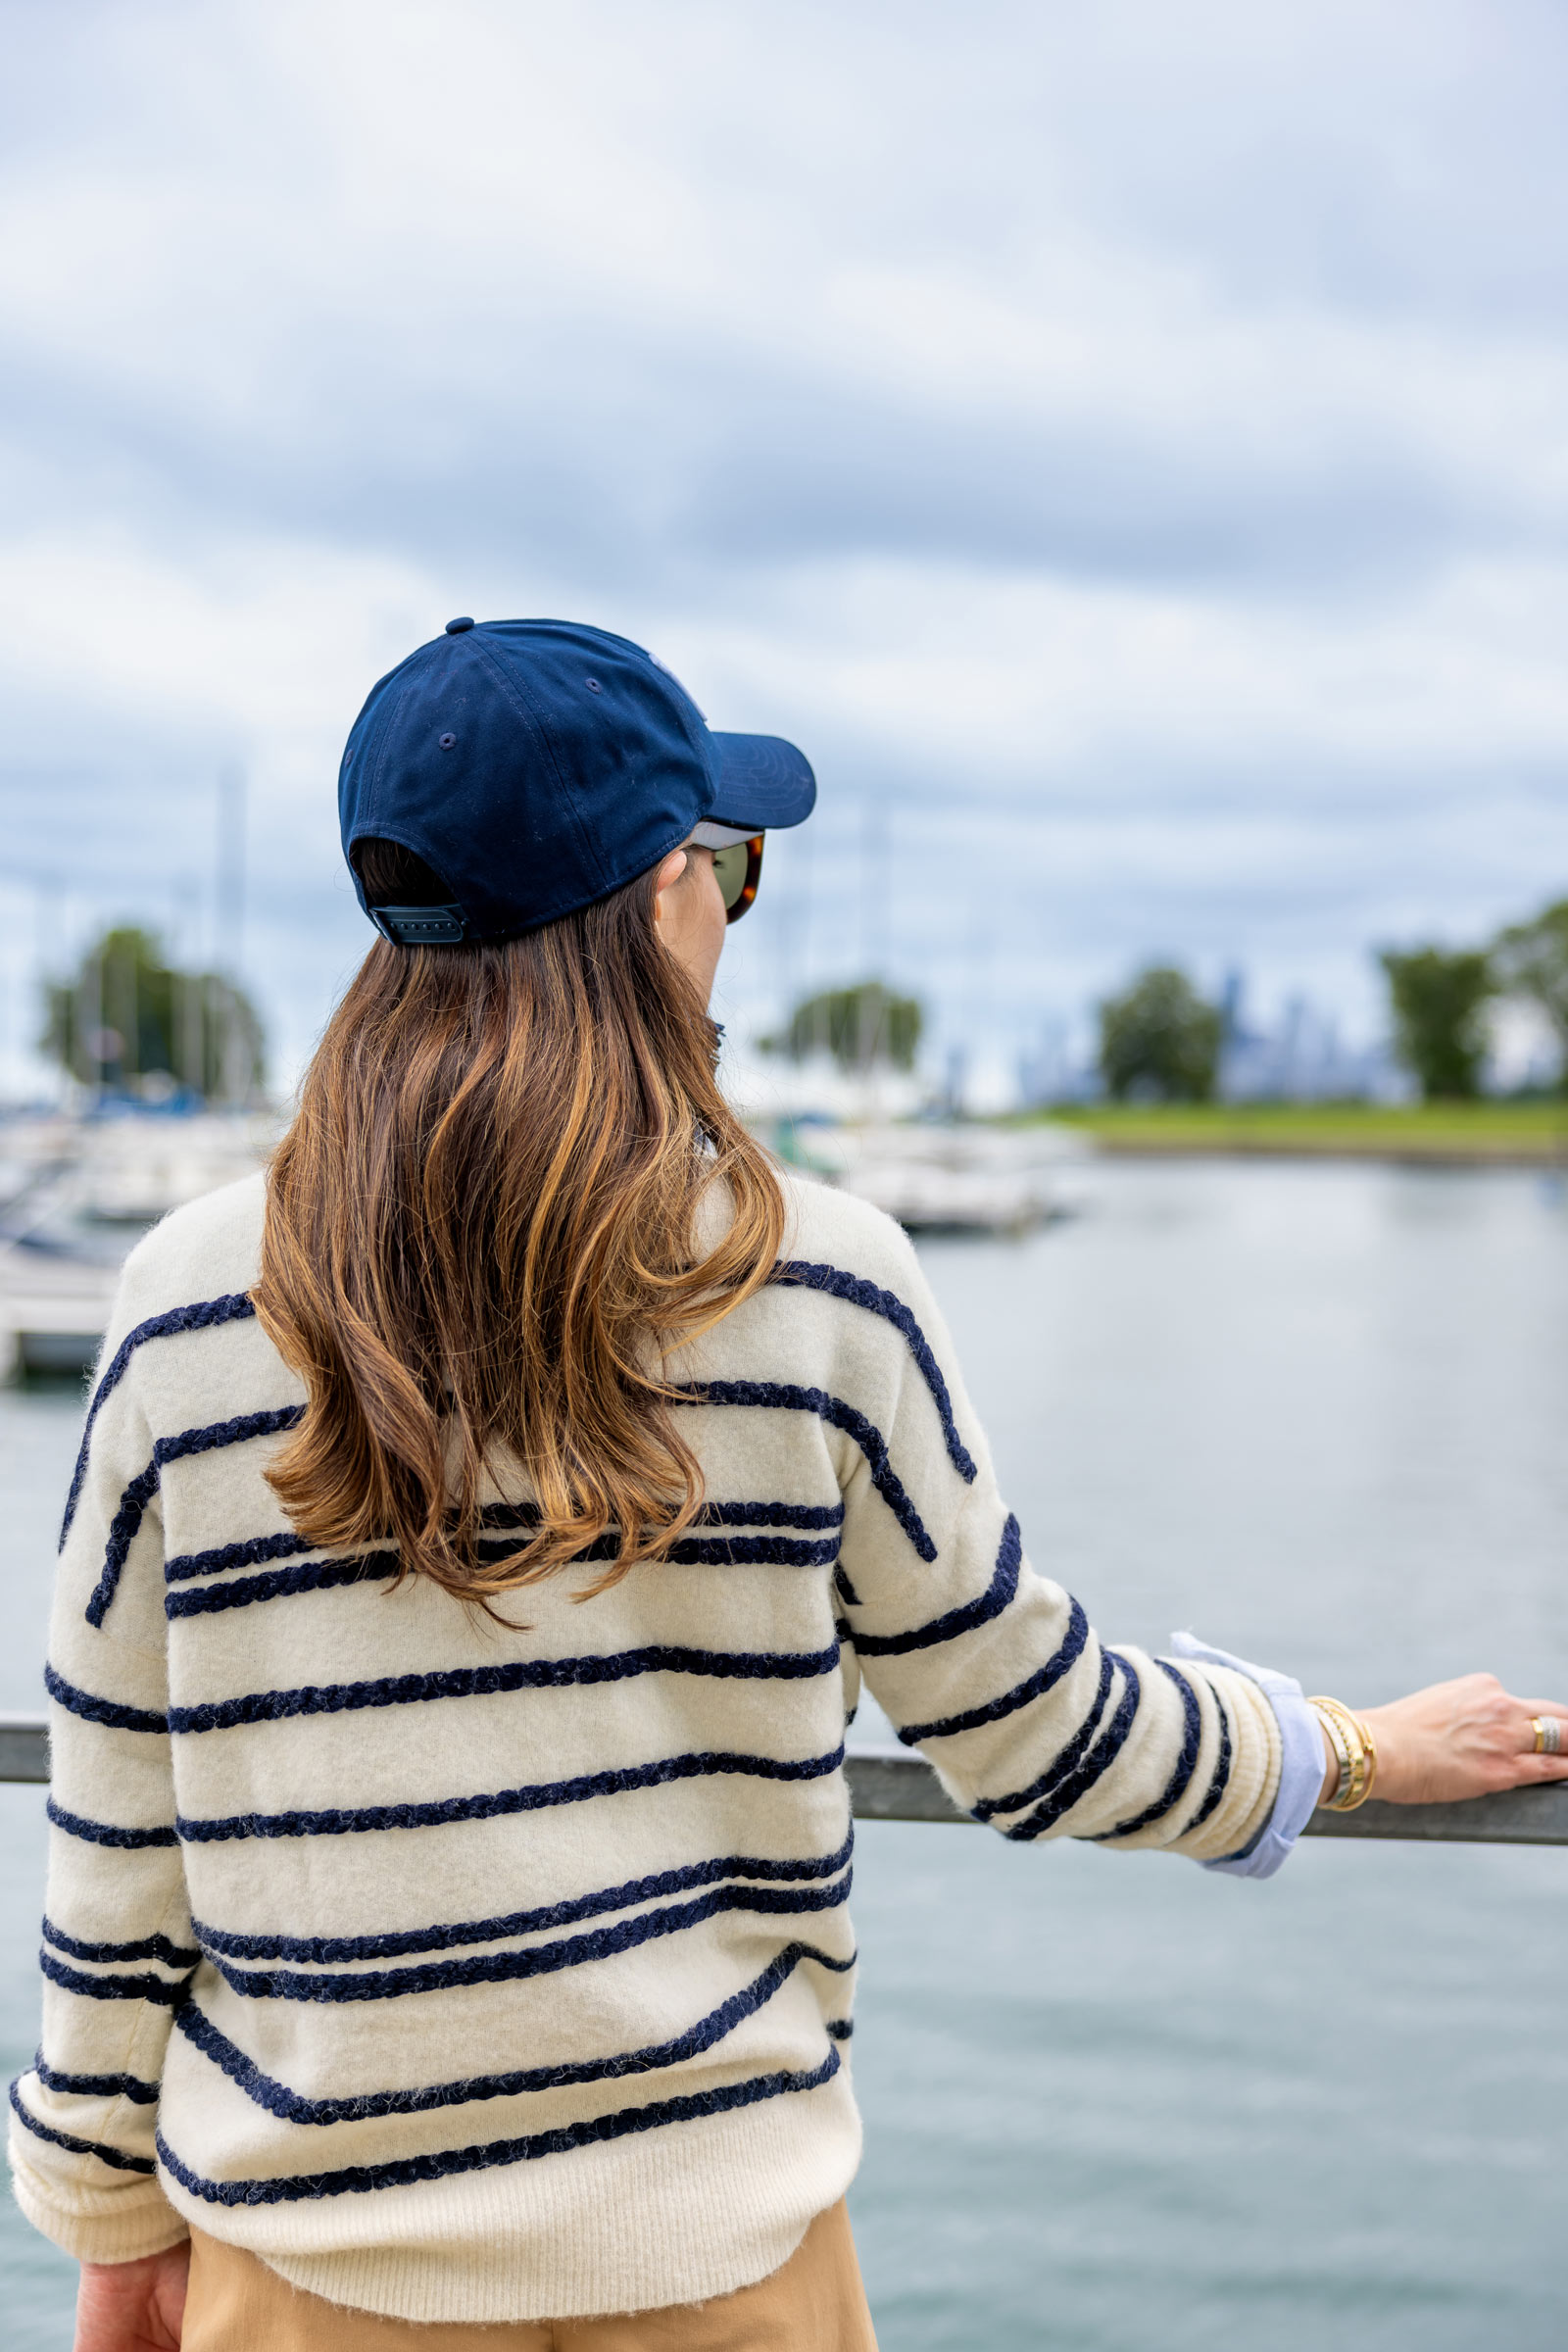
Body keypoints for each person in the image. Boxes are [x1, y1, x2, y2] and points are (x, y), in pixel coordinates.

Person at [11, 617, 1567, 2352]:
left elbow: (121, 1833)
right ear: (662, 899)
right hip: (721, 2274)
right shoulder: (811, 1278)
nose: (730, 915)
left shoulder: (185, 1303)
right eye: (731, 872)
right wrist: (1349, 1749)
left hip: (309, 2283)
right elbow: (1027, 1727)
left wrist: (105, 2215)